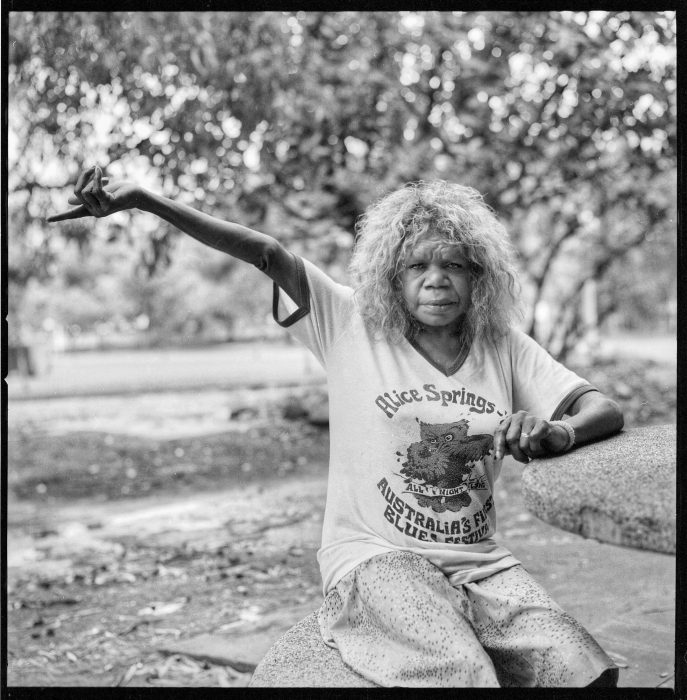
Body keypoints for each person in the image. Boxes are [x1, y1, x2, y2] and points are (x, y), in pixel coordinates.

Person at [49, 168, 624, 687]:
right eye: (417, 265)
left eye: (454, 265)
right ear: (391, 277)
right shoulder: (348, 322)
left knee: (581, 668)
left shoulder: (503, 348)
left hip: (482, 566)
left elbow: (600, 407)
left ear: (480, 276)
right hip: (377, 559)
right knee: (460, 673)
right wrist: (150, 201)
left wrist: (558, 434)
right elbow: (267, 252)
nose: (436, 280)